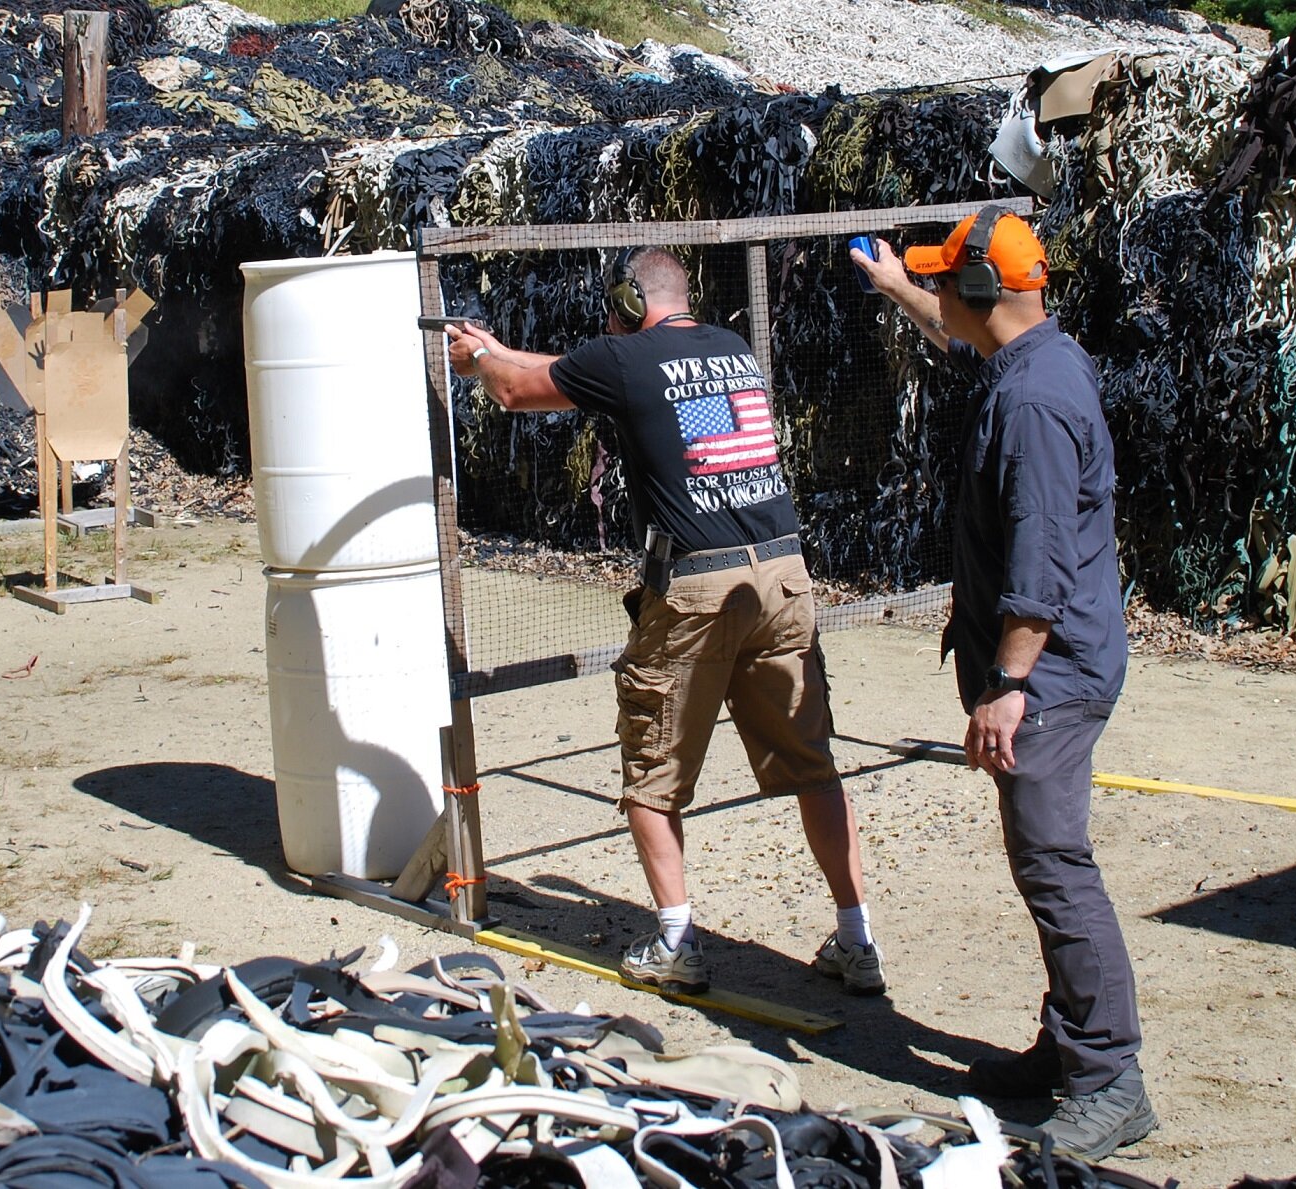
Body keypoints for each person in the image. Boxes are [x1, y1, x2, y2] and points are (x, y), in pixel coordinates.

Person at [443, 247, 885, 999]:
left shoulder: (623, 358)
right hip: (781, 573)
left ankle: (677, 943)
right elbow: (584, 369)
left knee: (651, 772)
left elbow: (518, 393)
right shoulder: (729, 349)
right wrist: (494, 345)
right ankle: (857, 938)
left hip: (697, 585)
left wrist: (480, 361)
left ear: (624, 299)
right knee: (813, 762)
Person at [850, 209, 1153, 1160]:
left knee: (1056, 866)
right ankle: (1070, 1046)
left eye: (946, 280)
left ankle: (1110, 1077)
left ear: (984, 290)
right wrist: (902, 291)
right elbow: (966, 341)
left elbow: (1040, 560)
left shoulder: (1032, 404)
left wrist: (1006, 684)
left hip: (1049, 673)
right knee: (1044, 858)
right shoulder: (1039, 361)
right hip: (1056, 663)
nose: (943, 292)